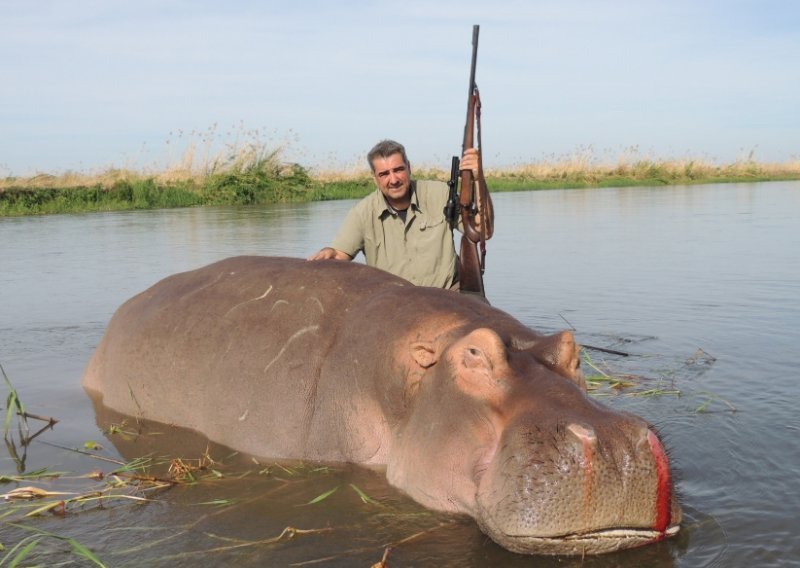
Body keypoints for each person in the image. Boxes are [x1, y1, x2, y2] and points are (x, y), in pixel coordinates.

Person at [308, 139, 481, 289]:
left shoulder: (441, 194)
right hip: (393, 306)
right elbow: (339, 254)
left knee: (483, 329)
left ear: (409, 168)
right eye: (384, 174)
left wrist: (479, 179)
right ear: (375, 178)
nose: (393, 180)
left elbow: (482, 230)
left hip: (447, 296)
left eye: (398, 170)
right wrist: (328, 253)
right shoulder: (361, 213)